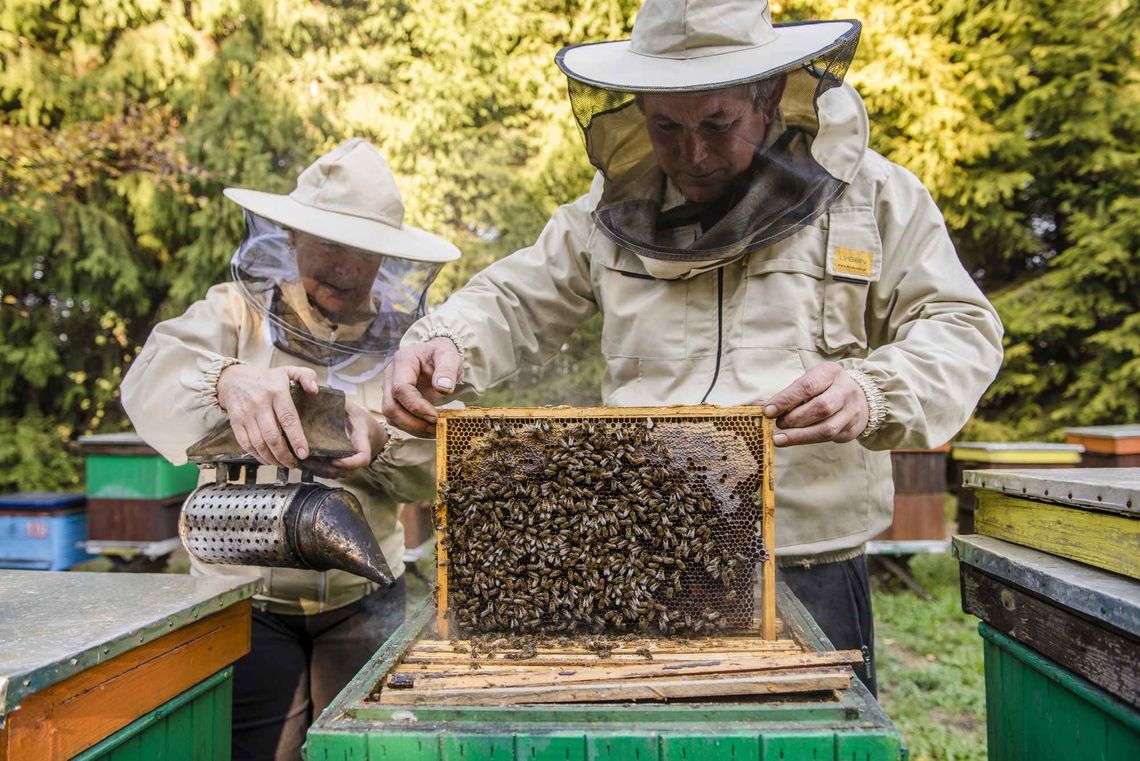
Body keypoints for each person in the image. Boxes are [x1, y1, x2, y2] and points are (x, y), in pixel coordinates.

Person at [381, 0, 1003, 695]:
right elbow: (516, 295)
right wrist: (444, 338)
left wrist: (873, 388)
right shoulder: (609, 213)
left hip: (807, 561)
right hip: (640, 560)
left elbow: (961, 326)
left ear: (769, 97)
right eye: (666, 127)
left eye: (717, 124)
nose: (693, 153)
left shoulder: (874, 196)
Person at [120, 138, 459, 760]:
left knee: (358, 751)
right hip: (244, 598)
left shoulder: (409, 344)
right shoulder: (233, 315)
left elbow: (444, 461)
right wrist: (226, 379)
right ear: (292, 237)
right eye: (330, 244)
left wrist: (382, 440)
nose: (347, 268)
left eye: (366, 251)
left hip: (364, 594)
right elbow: (150, 378)